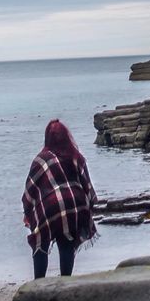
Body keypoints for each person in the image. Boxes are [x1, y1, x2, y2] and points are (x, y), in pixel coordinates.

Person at [20, 118, 98, 277]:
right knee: (67, 242)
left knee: (41, 241)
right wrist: (89, 208)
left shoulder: (41, 159)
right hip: (76, 206)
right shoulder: (76, 157)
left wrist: (29, 214)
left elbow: (30, 190)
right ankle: (65, 281)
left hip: (50, 208)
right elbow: (88, 187)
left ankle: (38, 282)